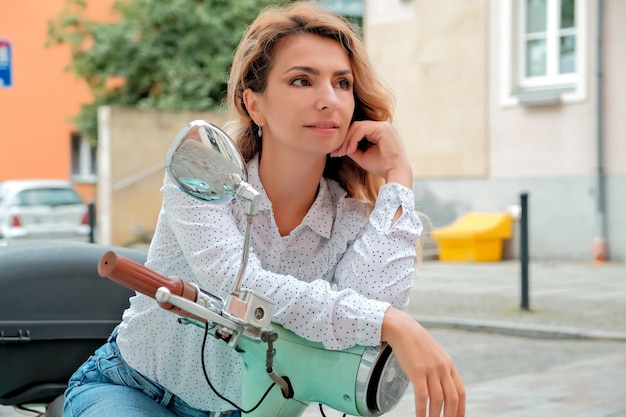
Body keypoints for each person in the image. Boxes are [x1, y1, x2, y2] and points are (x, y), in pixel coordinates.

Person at [63, 2, 465, 417]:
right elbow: (238, 286)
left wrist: (398, 176)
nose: (329, 100)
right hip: (136, 390)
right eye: (302, 80)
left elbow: (367, 316)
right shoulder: (203, 173)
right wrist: (393, 324)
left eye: (342, 83)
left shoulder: (350, 219)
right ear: (254, 104)